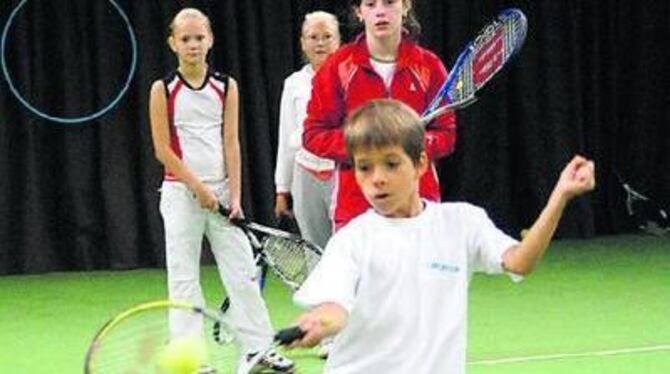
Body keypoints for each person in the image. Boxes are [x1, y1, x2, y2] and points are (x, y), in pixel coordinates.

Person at [290, 99, 596, 373]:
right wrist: (319, 322)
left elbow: (520, 262)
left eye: (391, 164)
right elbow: (335, 308)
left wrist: (561, 195)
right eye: (364, 168)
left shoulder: (462, 222)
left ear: (421, 163)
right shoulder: (352, 240)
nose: (377, 179)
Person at [148, 8, 293, 373]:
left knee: (242, 272)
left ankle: (257, 350)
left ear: (210, 39)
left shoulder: (226, 86)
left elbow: (232, 143)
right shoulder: (162, 90)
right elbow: (162, 149)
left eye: (199, 37)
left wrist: (236, 198)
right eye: (185, 39)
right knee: (184, 279)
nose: (193, 44)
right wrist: (196, 187)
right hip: (180, 195)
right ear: (173, 44)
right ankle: (191, 361)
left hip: (224, 194)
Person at [303, 0, 457, 230]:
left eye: (389, 2)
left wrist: (408, 145)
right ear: (359, 12)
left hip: (417, 208)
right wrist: (367, 148)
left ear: (405, 6)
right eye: (371, 4)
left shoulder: (429, 66)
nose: (380, 12)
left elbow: (446, 135)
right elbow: (313, 134)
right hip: (355, 211)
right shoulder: (337, 66)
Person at [275, 11, 341, 249]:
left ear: (338, 41)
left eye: (327, 36)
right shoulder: (293, 83)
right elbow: (286, 138)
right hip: (304, 174)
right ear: (303, 43)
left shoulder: (350, 77)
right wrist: (282, 189)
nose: (320, 43)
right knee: (314, 251)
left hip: (341, 171)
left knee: (345, 247)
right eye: (313, 37)